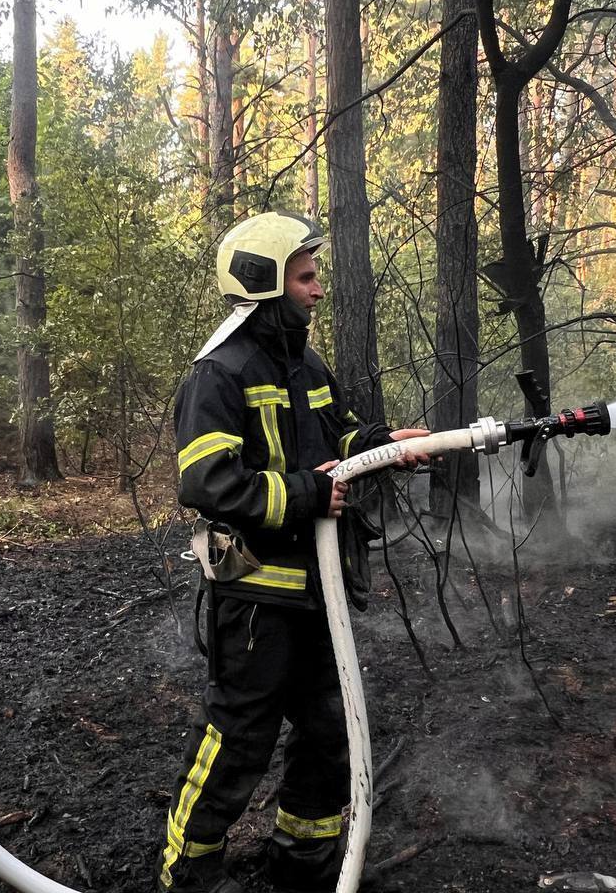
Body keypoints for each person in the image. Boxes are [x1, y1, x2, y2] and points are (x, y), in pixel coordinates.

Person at [154, 211, 428, 893]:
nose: (318, 289)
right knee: (237, 741)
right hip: (255, 602)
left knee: (328, 731)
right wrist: (309, 495)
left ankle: (303, 863)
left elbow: (338, 443)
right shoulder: (219, 374)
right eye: (305, 277)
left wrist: (388, 445)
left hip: (317, 594)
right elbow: (207, 483)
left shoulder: (306, 364)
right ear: (266, 282)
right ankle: (186, 874)